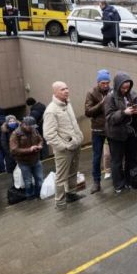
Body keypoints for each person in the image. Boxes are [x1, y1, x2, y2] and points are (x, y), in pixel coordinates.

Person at [43, 81, 84, 209]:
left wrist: (78, 139)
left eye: (67, 88)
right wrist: (64, 146)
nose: (66, 91)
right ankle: (60, 202)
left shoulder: (68, 103)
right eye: (62, 89)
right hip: (64, 150)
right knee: (61, 177)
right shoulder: (51, 110)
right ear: (55, 92)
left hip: (75, 144)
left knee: (73, 172)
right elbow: (49, 134)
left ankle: (71, 194)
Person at [104, 72, 137, 193]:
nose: (125, 90)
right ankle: (119, 185)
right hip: (116, 135)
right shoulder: (110, 98)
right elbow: (110, 118)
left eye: (128, 87)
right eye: (123, 87)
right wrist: (124, 113)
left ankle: (130, 180)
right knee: (117, 161)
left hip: (132, 133)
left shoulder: (132, 94)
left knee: (132, 159)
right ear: (117, 86)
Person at [85, 69, 112, 194]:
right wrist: (101, 104)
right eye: (103, 83)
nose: (106, 85)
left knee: (115, 153)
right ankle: (96, 182)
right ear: (98, 83)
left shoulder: (112, 92)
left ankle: (117, 176)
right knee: (96, 156)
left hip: (111, 127)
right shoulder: (91, 93)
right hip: (98, 129)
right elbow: (88, 112)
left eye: (107, 83)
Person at [10, 116, 44, 200]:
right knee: (28, 182)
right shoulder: (16, 134)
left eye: (33, 126)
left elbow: (41, 140)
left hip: (36, 159)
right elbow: (14, 150)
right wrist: (29, 149)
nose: (32, 128)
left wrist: (39, 145)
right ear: (24, 124)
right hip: (24, 162)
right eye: (30, 126)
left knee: (39, 180)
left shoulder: (34, 130)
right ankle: (29, 196)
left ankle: (39, 194)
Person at [1, 115, 20, 188]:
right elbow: (4, 143)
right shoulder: (5, 131)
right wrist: (10, 153)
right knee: (14, 172)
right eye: (10, 121)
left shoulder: (20, 128)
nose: (12, 122)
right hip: (11, 155)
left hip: (21, 153)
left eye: (13, 121)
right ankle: (16, 186)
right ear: (7, 123)